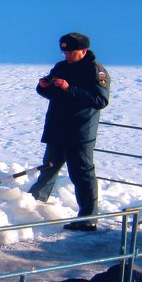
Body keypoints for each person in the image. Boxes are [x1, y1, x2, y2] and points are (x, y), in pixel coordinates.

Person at [26, 32, 111, 232]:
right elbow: (51, 93)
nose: (67, 56)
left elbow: (100, 100)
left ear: (83, 51)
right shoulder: (61, 67)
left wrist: (68, 88)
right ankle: (30, 207)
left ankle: (88, 218)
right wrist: (43, 87)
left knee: (82, 174)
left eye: (70, 52)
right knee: (49, 168)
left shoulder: (96, 71)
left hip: (80, 131)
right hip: (57, 128)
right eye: (64, 52)